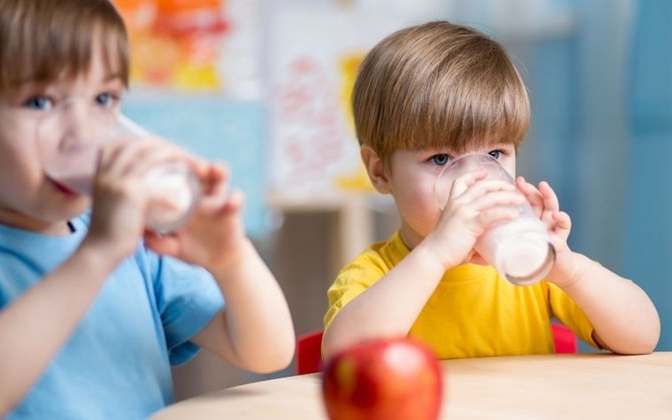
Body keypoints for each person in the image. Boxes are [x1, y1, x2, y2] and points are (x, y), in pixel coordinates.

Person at [0, 0, 295, 418]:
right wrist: (97, 255)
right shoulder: (108, 241)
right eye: (40, 102)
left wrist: (231, 261)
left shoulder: (132, 240)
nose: (81, 134)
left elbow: (267, 352)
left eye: (103, 98)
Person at [322, 21, 660, 359]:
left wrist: (569, 270)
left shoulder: (531, 269)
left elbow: (643, 337)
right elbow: (344, 358)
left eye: (494, 154)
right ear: (381, 172)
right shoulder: (375, 274)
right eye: (441, 159)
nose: (476, 180)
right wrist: (436, 255)